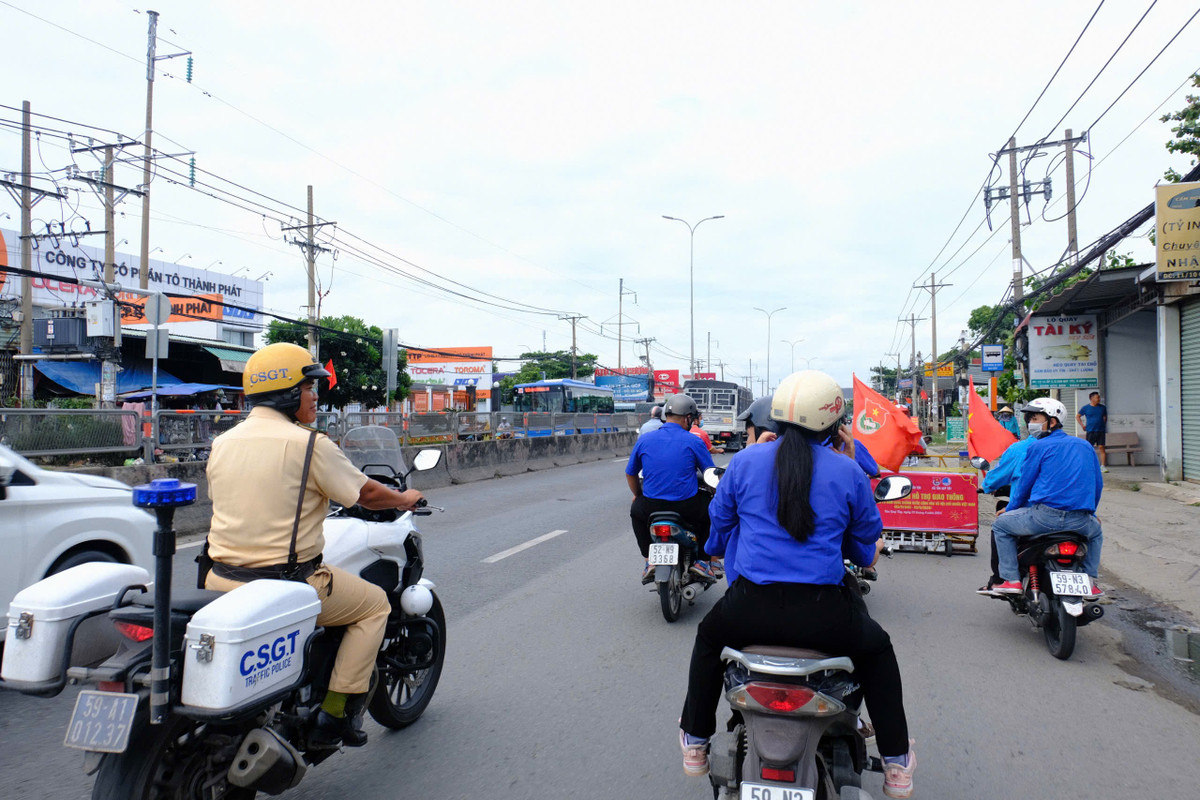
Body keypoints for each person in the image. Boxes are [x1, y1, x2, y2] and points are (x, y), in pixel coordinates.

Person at [680, 370, 915, 799]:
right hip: (824, 614)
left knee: (708, 639)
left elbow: (715, 541)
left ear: (777, 417)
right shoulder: (846, 472)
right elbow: (864, 552)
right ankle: (897, 764)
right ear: (833, 424)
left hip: (748, 608)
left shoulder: (745, 462)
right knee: (877, 652)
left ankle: (696, 743)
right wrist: (849, 458)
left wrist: (750, 456)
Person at [205, 342, 425, 748]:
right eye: (310, 388)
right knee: (375, 605)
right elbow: (367, 494)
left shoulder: (224, 442)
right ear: (289, 392)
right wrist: (404, 499)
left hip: (219, 582)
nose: (315, 396)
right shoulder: (310, 445)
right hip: (288, 584)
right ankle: (336, 713)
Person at [989, 397, 1104, 598]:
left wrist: (1010, 508)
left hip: (1044, 518)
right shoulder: (1084, 446)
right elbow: (1097, 484)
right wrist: (1091, 513)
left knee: (1000, 526)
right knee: (1096, 533)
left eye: (1035, 418)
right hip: (1080, 520)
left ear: (1052, 421)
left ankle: (1011, 580)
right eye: (1030, 418)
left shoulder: (1037, 447)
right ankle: (1089, 580)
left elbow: (1025, 484)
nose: (1030, 423)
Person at [626, 394, 718, 583]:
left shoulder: (645, 439)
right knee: (711, 511)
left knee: (636, 512)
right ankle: (702, 562)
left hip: (651, 506)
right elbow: (710, 474)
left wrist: (638, 495)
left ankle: (649, 561)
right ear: (687, 418)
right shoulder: (694, 441)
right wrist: (716, 494)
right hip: (686, 506)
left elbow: (631, 473)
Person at [974, 429, 1036, 594]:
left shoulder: (1023, 449)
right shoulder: (1075, 448)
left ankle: (1002, 579)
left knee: (1000, 525)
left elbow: (1023, 490)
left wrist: (987, 486)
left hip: (1036, 513)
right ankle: (1089, 579)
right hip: (1077, 514)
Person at [1076, 391, 1109, 473]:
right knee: (1089, 448)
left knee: (1102, 447)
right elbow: (1078, 416)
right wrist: (1082, 425)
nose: (1099, 399)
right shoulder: (1086, 408)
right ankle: (1088, 465)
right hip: (1091, 431)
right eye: (1097, 397)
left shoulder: (1102, 408)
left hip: (1100, 431)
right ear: (1092, 398)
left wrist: (1102, 425)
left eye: (1099, 397)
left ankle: (1103, 466)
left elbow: (1105, 418)